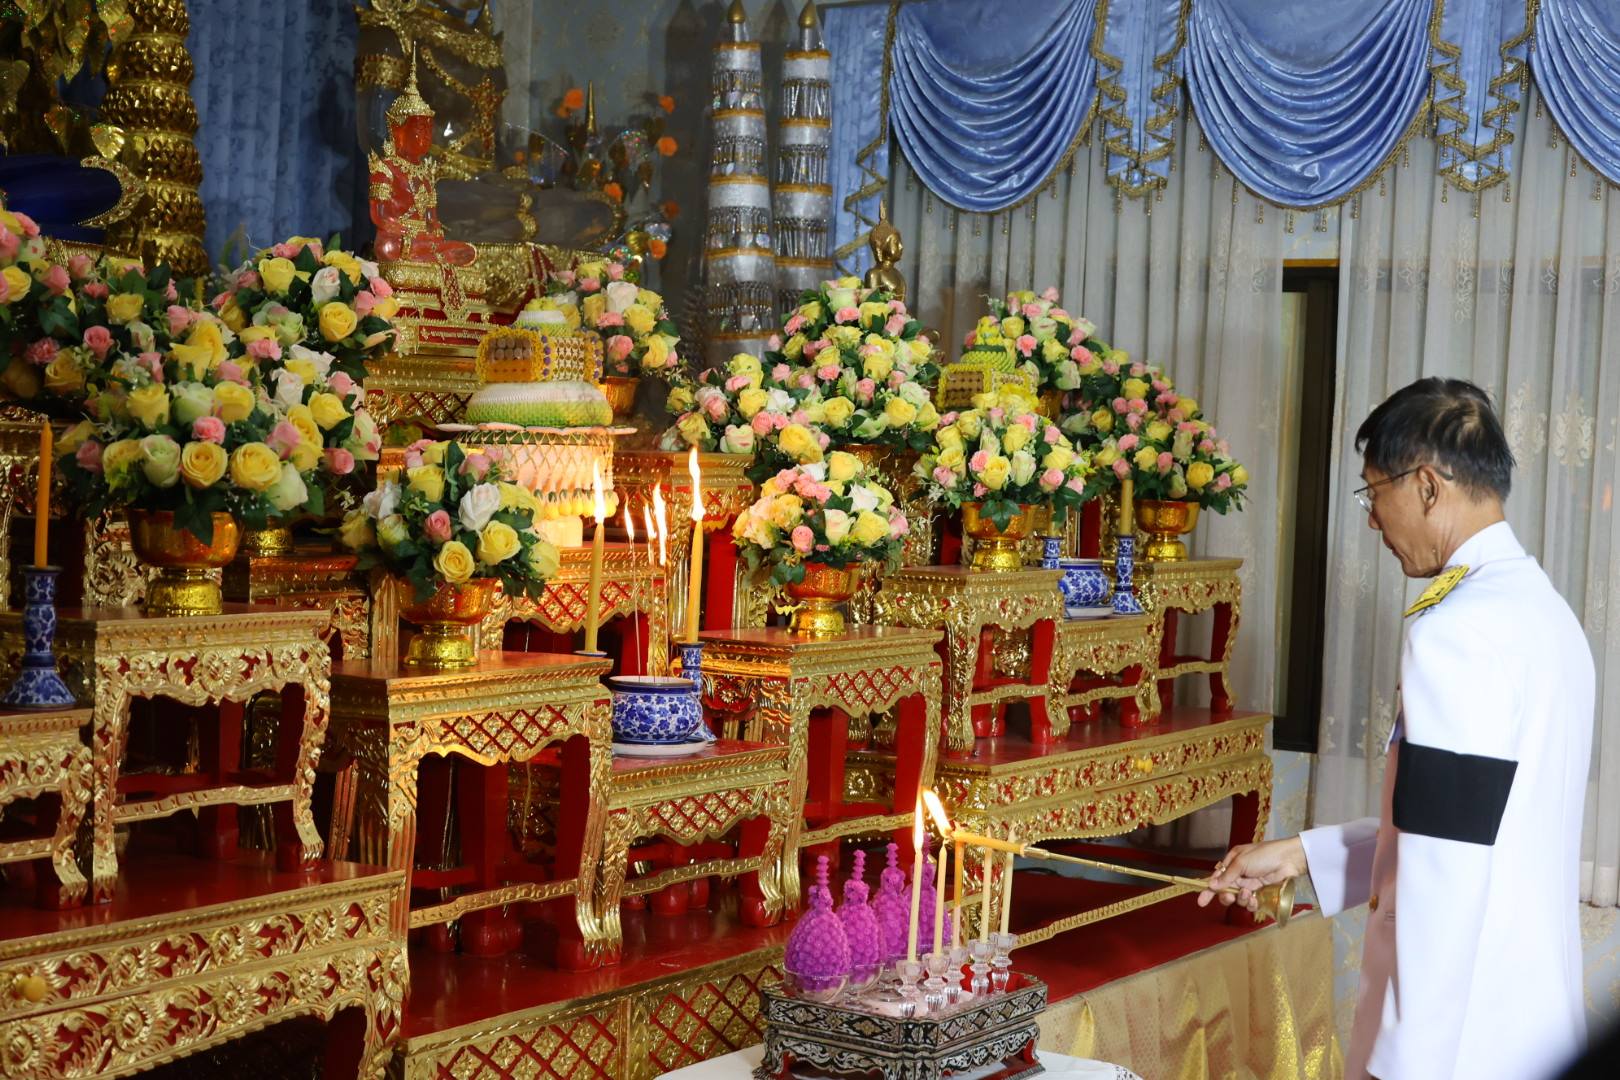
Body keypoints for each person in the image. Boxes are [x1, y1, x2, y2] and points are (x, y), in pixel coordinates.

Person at [1199, 378, 1593, 1079]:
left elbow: (1446, 870)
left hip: (1460, 1044)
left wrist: (1407, 1064)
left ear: (1427, 486)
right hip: (1526, 1022)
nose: (1374, 520)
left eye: (1373, 492)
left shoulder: (1458, 631)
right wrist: (1301, 856)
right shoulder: (1544, 612)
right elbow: (1468, 824)